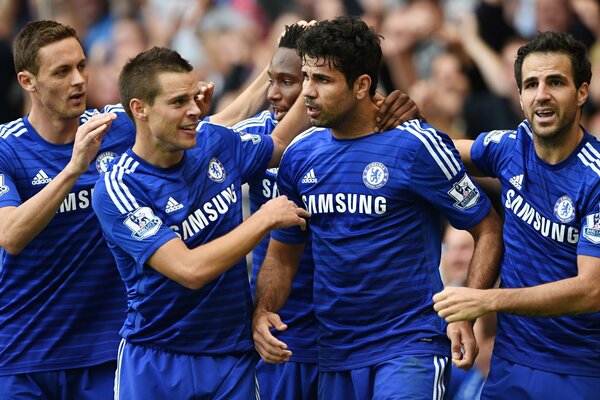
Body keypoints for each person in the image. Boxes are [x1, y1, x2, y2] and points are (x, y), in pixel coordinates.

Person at [252, 16, 503, 400]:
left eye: (322, 80)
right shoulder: (299, 155)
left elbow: (486, 228)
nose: (307, 93)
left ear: (362, 86)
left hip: (409, 345)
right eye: (306, 77)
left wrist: (467, 309)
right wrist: (264, 309)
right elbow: (283, 255)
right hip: (334, 353)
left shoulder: (417, 145)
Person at [90, 45, 314, 400]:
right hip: (157, 362)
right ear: (140, 109)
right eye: (179, 102)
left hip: (231, 359)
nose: (195, 110)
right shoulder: (120, 188)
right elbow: (188, 269)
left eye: (194, 98)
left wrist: (314, 73)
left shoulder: (213, 142)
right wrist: (263, 220)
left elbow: (281, 141)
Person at [232, 22, 418, 399]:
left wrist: (415, 123)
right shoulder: (256, 138)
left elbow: (441, 166)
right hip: (283, 334)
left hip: (351, 336)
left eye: (291, 82)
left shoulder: (383, 132)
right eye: (276, 80)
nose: (276, 94)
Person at [433, 31, 600, 399]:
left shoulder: (596, 177)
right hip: (508, 365)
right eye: (531, 84)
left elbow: (592, 290)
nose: (542, 94)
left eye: (556, 82)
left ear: (582, 92)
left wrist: (485, 301)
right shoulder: (509, 147)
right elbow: (431, 152)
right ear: (521, 97)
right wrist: (389, 118)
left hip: (578, 371)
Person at [0, 20, 134, 399]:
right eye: (61, 71)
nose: (78, 80)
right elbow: (10, 235)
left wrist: (265, 79)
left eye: (81, 65)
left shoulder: (113, 128)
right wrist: (74, 168)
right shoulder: (6, 148)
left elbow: (213, 127)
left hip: (103, 353)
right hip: (23, 357)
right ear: (28, 81)